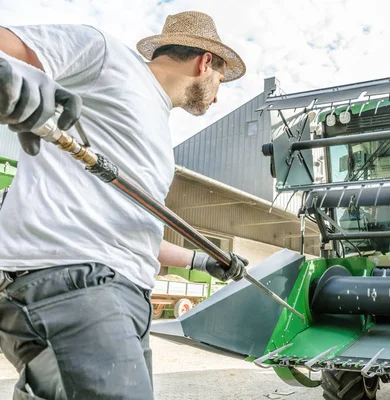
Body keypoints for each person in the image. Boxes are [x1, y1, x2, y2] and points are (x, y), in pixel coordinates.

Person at [0, 11, 248, 399]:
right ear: (204, 62)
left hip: (125, 293)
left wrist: (203, 261)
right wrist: (10, 75)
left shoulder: (158, 137)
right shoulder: (105, 56)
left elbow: (138, 229)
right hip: (75, 279)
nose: (218, 95)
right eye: (220, 80)